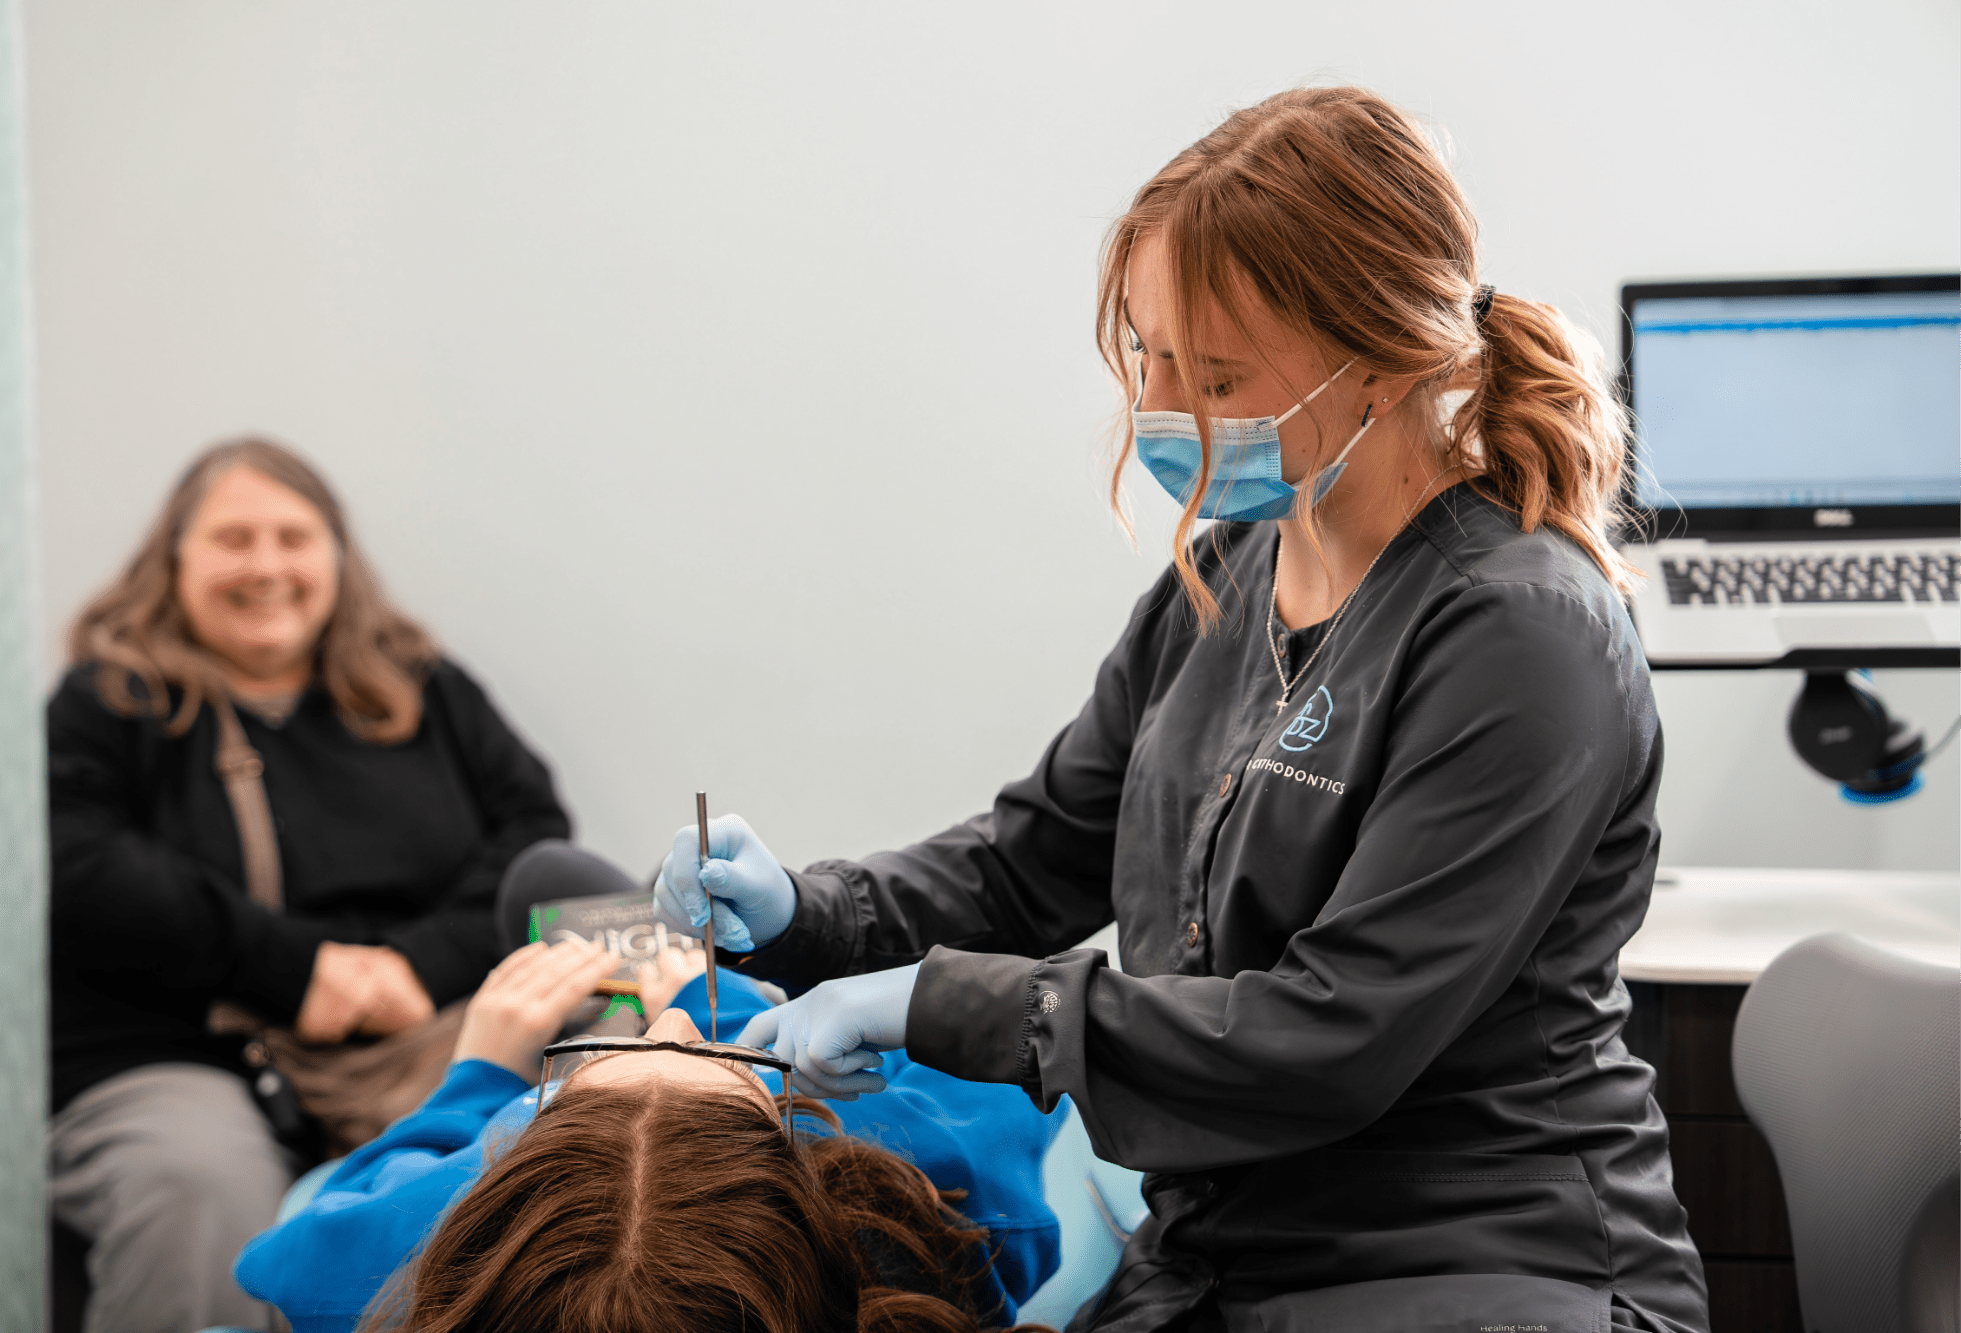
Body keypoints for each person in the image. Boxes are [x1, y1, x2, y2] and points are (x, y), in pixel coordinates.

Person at [652, 87, 1709, 1333]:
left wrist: (936, 1003)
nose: (1161, 408)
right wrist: (807, 911)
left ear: (1383, 355)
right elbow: (1033, 860)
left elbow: (1331, 1035)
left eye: (1211, 372)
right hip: (1225, 1264)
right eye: (1147, 356)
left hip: (1484, 1270)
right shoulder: (1223, 578)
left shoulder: (1520, 633)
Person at [48, 437, 572, 1333]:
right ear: (174, 560)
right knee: (197, 1189)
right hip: (181, 1054)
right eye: (233, 539)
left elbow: (535, 838)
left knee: (545, 1158)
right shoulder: (108, 702)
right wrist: (302, 971)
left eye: (294, 537)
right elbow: (82, 865)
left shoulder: (429, 690)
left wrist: (411, 966)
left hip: (418, 1036)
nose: (266, 566)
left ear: (336, 555)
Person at [233, 940, 1065, 1333]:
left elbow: (282, 1257)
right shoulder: (925, 1205)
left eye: (600, 1066)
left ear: (509, 1172)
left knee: (548, 887)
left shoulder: (419, 1249)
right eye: (713, 1059)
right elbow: (1020, 1047)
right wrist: (738, 1013)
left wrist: (481, 1077)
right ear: (806, 1166)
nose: (666, 1018)